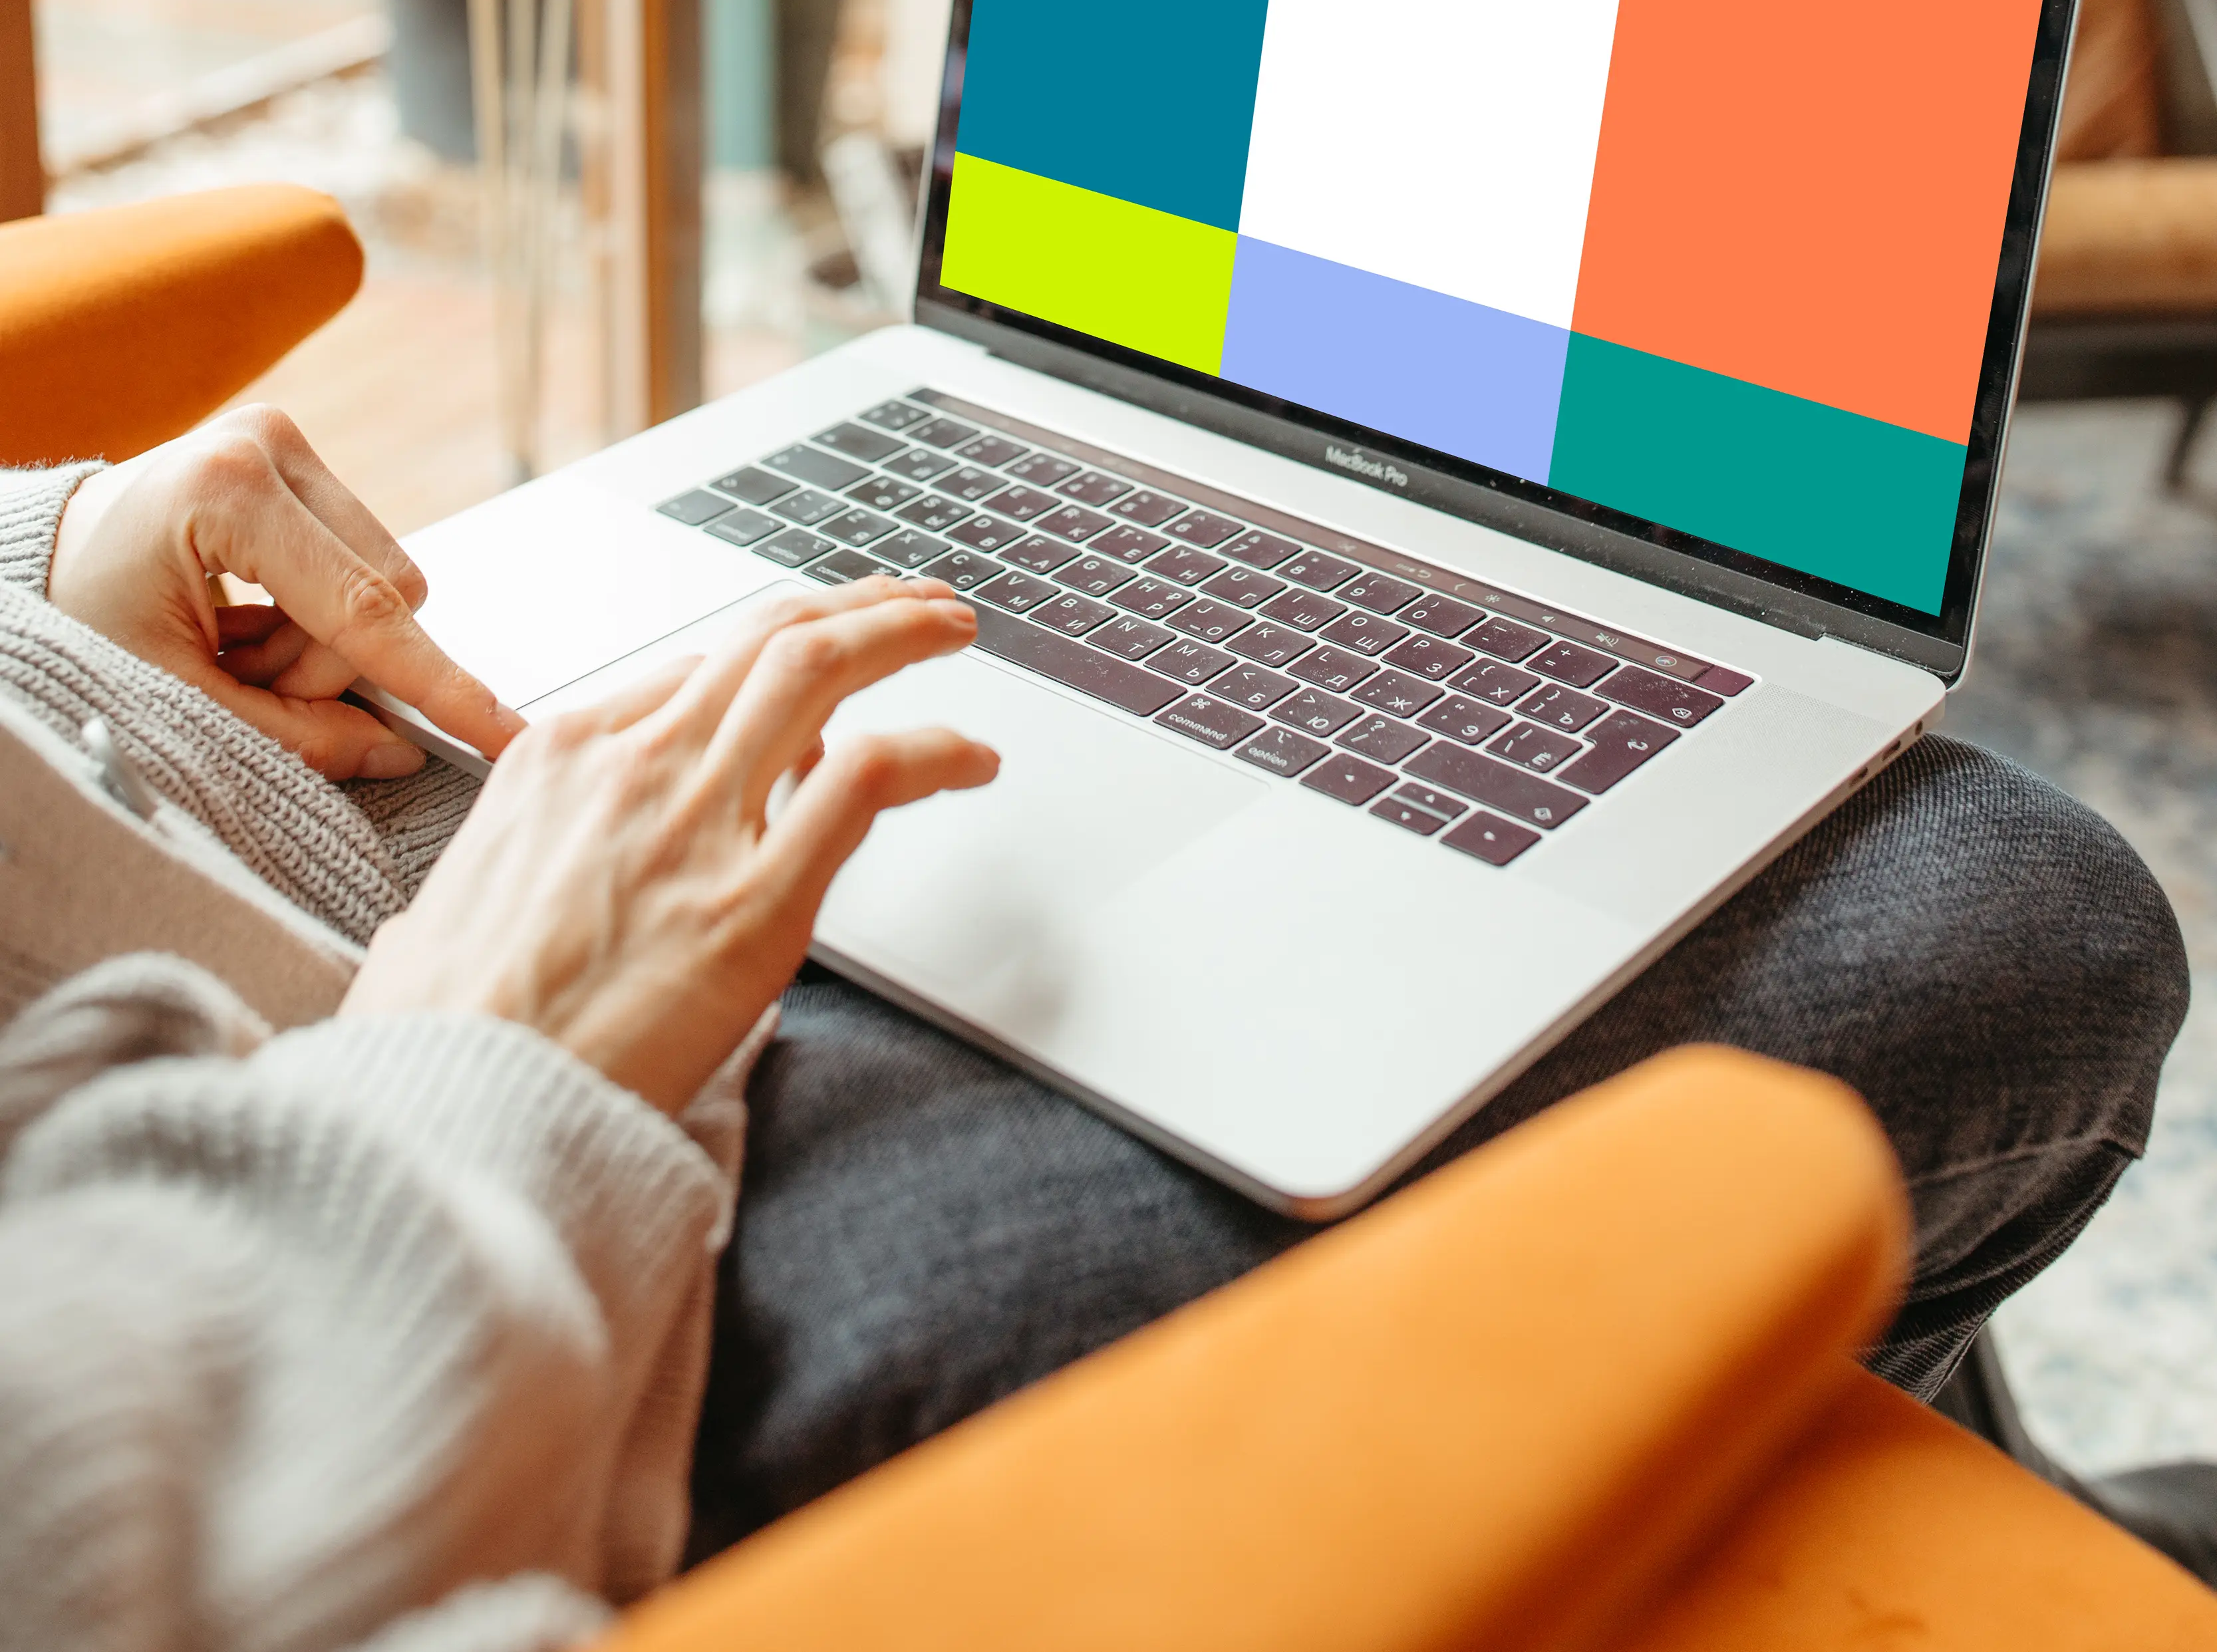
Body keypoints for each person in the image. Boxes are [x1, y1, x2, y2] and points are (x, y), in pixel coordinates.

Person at [0, 406, 2190, 1651]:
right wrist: (488, 1062)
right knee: (2010, 910)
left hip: (264, 816)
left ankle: (1980, 1506)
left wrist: (49, 575)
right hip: (434, 1260)